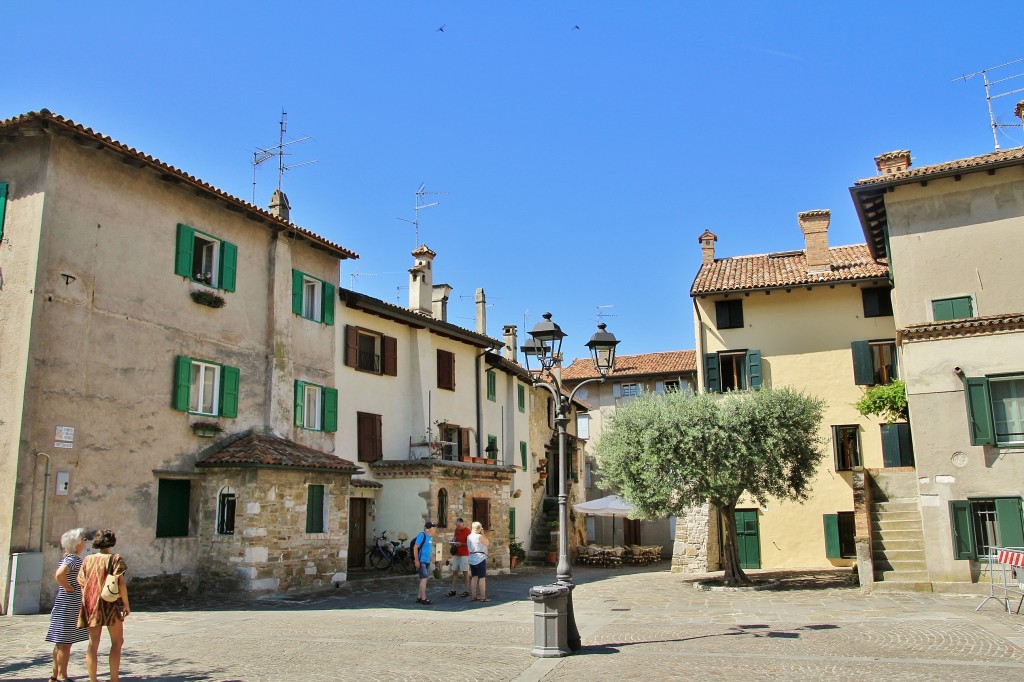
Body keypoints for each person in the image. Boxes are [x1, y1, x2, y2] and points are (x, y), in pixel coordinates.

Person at [77, 529, 129, 682]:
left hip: (92, 604)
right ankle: (114, 679)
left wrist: (87, 600)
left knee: (93, 645)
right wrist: (125, 604)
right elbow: (121, 584)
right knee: (117, 642)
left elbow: (82, 582)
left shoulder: (88, 560)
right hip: (110, 604)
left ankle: (93, 679)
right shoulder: (115, 559)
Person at [45, 527, 89, 682]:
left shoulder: (67, 557)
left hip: (65, 602)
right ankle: (62, 676)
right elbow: (60, 574)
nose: (85, 541)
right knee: (65, 642)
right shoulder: (73, 560)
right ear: (77, 544)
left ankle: (54, 675)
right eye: (83, 539)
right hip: (69, 604)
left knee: (60, 641)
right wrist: (67, 586)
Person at [412, 521, 436, 605]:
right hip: (421, 561)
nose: (435, 529)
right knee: (424, 578)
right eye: (433, 527)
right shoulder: (422, 535)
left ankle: (419, 597)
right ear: (429, 529)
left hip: (427, 561)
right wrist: (416, 561)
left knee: (423, 579)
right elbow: (415, 548)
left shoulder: (430, 537)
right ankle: (423, 598)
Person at [446, 517, 471, 598]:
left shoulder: (468, 531)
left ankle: (467, 590)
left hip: (464, 554)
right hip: (457, 553)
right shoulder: (456, 530)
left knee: (465, 572)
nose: (458, 528)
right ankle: (453, 590)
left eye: (459, 526)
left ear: (462, 524)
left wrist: (462, 544)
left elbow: (470, 543)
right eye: (457, 526)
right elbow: (455, 538)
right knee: (455, 572)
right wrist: (452, 541)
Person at [466, 521, 490, 602]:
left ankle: (473, 596)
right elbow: (487, 543)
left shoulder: (469, 536)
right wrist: (483, 533)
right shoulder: (479, 536)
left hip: (472, 557)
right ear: (480, 528)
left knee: (474, 577)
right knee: (482, 578)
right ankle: (483, 597)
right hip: (480, 558)